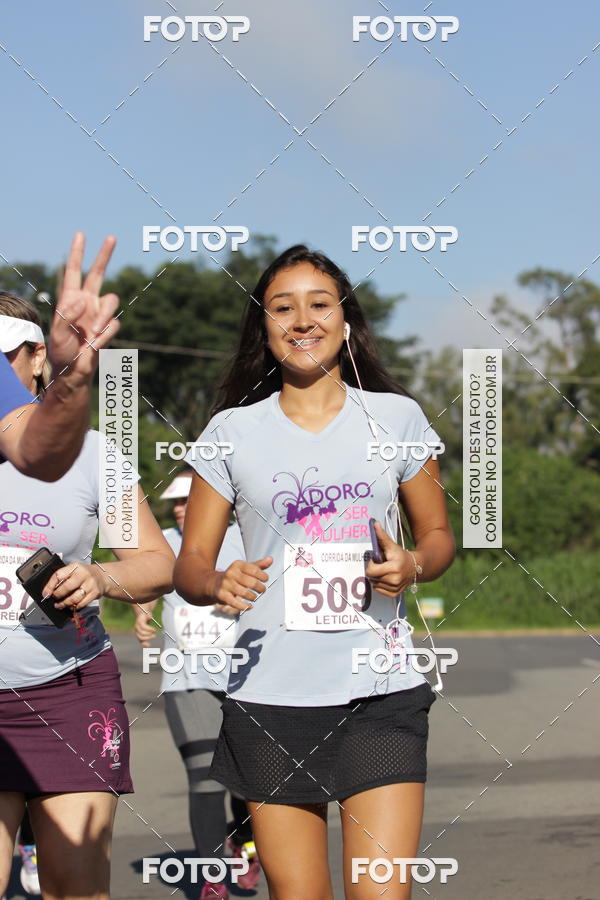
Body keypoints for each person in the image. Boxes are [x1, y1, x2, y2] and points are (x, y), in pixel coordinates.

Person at [174, 245, 456, 899]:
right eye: (282, 306)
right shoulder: (230, 432)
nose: (302, 319)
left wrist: (412, 565)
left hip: (380, 697)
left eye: (319, 303)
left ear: (345, 319)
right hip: (269, 699)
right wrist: (217, 583)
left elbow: (440, 538)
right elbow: (189, 565)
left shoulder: (396, 418)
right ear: (264, 328)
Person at [0, 296, 175, 900]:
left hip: (68, 694)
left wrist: (98, 578)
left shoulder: (92, 454)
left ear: (38, 360)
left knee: (75, 891)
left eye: (4, 358)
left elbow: (157, 565)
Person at [134, 471, 261, 900]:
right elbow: (151, 577)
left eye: (189, 501)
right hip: (186, 676)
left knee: (248, 780)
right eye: (176, 503)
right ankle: (212, 877)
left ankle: (246, 845)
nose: (180, 509)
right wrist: (143, 609)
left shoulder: (247, 538)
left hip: (248, 677)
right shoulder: (166, 540)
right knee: (204, 777)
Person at [0, 231, 119, 480]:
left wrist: (71, 378)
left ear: (37, 357)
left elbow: (40, 456)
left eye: (6, 353)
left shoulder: (93, 452)